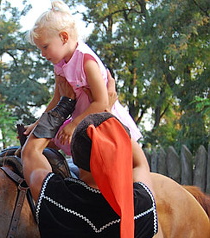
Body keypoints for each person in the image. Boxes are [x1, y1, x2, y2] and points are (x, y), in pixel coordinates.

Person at [21, 108, 158, 238]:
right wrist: (115, 130)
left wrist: (64, 105)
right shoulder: (141, 207)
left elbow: (30, 152)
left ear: (75, 157)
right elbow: (140, 164)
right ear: (124, 154)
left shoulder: (54, 195)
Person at [25, 1, 142, 156]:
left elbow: (102, 102)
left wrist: (74, 124)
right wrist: (38, 123)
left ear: (64, 37)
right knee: (50, 141)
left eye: (45, 47)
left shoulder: (87, 61)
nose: (42, 54)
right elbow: (57, 99)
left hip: (103, 122)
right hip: (83, 122)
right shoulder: (59, 64)